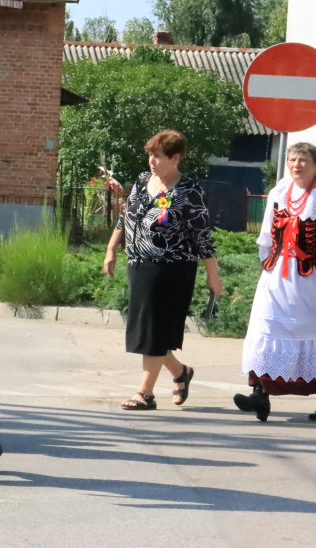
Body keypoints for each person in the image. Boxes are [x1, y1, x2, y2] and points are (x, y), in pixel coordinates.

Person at [104, 130, 222, 411]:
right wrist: (111, 250)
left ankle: (145, 393)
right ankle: (181, 372)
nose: (151, 160)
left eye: (158, 155)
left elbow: (202, 236)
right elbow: (125, 217)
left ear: (175, 158)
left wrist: (212, 275)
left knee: (153, 331)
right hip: (139, 266)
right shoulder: (143, 181)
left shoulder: (190, 191)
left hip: (172, 269)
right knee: (147, 330)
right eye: (150, 154)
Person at [234, 142, 316, 422]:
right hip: (277, 271)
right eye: (292, 159)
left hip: (310, 276)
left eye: (303, 160)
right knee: (265, 325)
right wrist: (266, 265)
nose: (296, 164)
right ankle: (260, 394)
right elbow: (267, 235)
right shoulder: (280, 192)